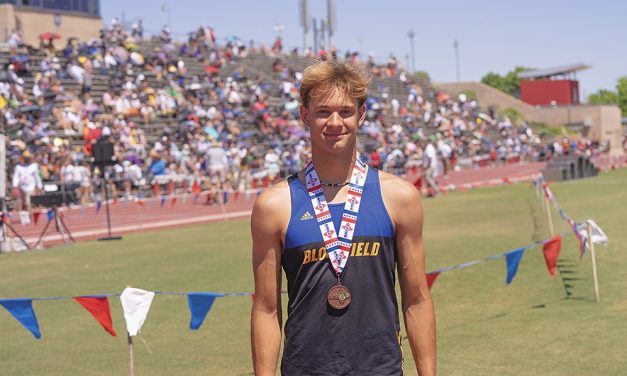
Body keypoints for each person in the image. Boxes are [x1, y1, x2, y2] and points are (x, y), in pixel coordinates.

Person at [251, 61, 436, 376]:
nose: (334, 122)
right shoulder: (274, 205)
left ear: (361, 114)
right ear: (305, 115)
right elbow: (267, 309)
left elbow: (416, 299)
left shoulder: (400, 197)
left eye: (346, 112)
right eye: (323, 112)